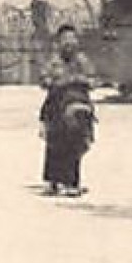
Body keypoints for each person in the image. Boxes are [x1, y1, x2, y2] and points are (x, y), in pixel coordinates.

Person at [39, 25, 96, 197]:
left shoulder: (83, 61)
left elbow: (92, 80)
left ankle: (71, 181)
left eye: (72, 39)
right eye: (65, 39)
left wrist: (79, 80)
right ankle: (53, 180)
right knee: (55, 143)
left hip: (78, 105)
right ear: (58, 42)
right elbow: (44, 80)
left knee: (75, 143)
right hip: (56, 106)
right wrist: (55, 82)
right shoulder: (53, 62)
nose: (69, 43)